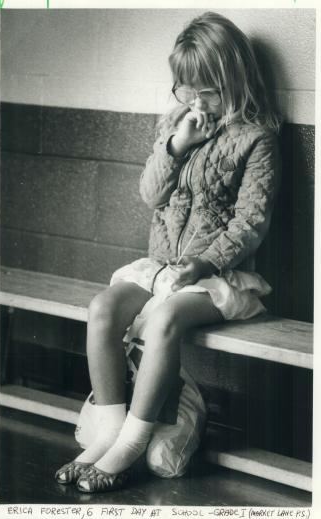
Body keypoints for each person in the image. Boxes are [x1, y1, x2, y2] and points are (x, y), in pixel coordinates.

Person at [55, 11, 280, 493]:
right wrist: (177, 144)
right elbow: (151, 195)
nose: (196, 102)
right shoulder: (176, 124)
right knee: (102, 310)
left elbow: (251, 223)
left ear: (234, 81)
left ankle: (130, 447)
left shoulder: (257, 140)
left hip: (218, 275)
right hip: (161, 267)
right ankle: (109, 433)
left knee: (163, 320)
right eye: (186, 90)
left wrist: (206, 262)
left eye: (207, 92)